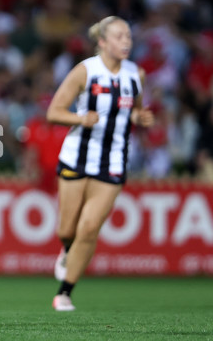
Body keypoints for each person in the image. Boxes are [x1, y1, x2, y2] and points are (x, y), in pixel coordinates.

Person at [46, 16, 154, 311]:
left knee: (90, 228)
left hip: (114, 160)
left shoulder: (136, 74)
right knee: (68, 229)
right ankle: (67, 250)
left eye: (129, 37)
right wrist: (81, 118)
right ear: (102, 42)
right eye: (119, 37)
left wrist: (139, 118)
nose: (126, 42)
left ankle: (65, 292)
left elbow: (133, 110)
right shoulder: (85, 71)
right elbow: (54, 112)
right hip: (77, 156)